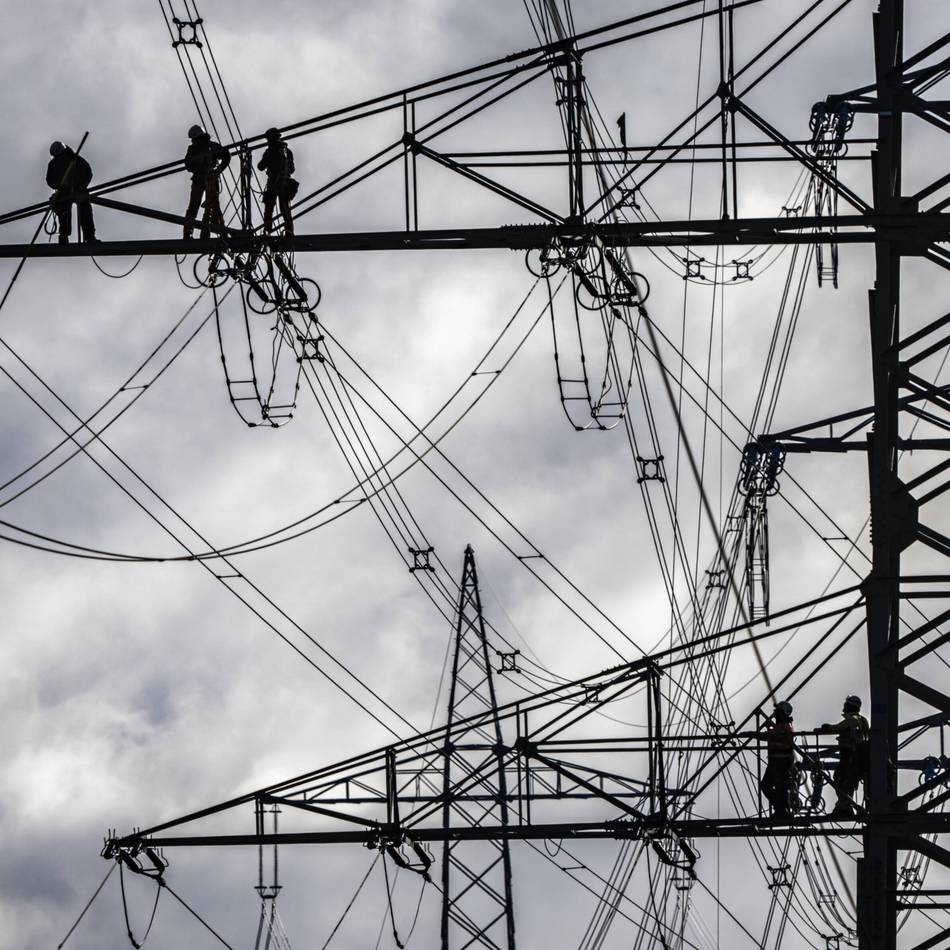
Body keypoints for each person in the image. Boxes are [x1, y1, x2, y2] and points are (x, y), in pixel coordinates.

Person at [821, 694, 869, 816]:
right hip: (857, 755)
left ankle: (844, 807)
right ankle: (843, 807)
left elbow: (838, 727)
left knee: (841, 779)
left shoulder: (852, 719)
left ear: (850, 705)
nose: (844, 706)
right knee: (848, 781)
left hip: (849, 754)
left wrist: (827, 727)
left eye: (846, 704)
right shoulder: (862, 720)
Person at [183, 124, 231, 240]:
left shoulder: (210, 147)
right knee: (202, 205)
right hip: (201, 179)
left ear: (197, 138)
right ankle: (220, 231)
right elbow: (188, 164)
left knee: (211, 205)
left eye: (193, 139)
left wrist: (218, 170)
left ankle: (219, 231)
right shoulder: (196, 149)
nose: (192, 141)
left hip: (209, 178)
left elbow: (226, 155)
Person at [47, 141, 97, 244]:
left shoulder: (75, 160)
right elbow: (50, 179)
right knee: (63, 210)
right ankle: (63, 236)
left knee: (85, 210)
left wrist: (82, 186)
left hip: (79, 190)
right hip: (64, 192)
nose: (59, 158)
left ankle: (90, 237)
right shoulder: (53, 163)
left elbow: (88, 173)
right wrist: (58, 185)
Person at [257, 127, 296, 237]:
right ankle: (289, 232)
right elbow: (292, 169)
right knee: (285, 208)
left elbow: (260, 166)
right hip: (285, 183)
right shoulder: (288, 151)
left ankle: (267, 230)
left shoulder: (270, 151)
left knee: (269, 207)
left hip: (273, 182)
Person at [760, 701, 796, 818]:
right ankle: (780, 808)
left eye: (777, 711)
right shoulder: (781, 727)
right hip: (775, 762)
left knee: (779, 786)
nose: (774, 713)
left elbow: (772, 735)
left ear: (782, 713)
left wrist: (754, 734)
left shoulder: (786, 727)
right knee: (768, 785)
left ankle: (782, 809)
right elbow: (772, 734)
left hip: (781, 762)